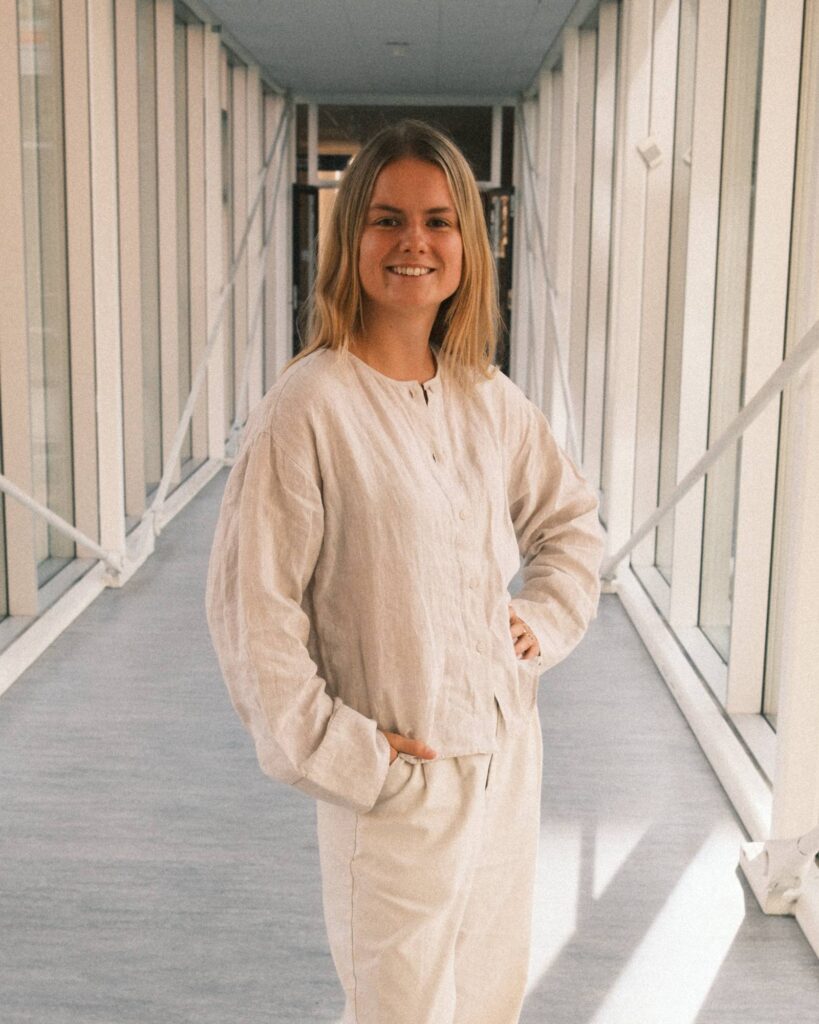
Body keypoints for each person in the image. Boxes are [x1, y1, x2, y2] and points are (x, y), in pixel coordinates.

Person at [205, 119, 604, 1024]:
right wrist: (348, 756)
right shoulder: (308, 406)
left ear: (467, 242)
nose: (412, 242)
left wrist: (538, 620)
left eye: (437, 220)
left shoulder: (486, 398)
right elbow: (252, 610)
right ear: (350, 240)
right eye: (386, 219)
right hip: (398, 779)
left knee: (488, 1002)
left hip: (504, 764)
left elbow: (570, 522)